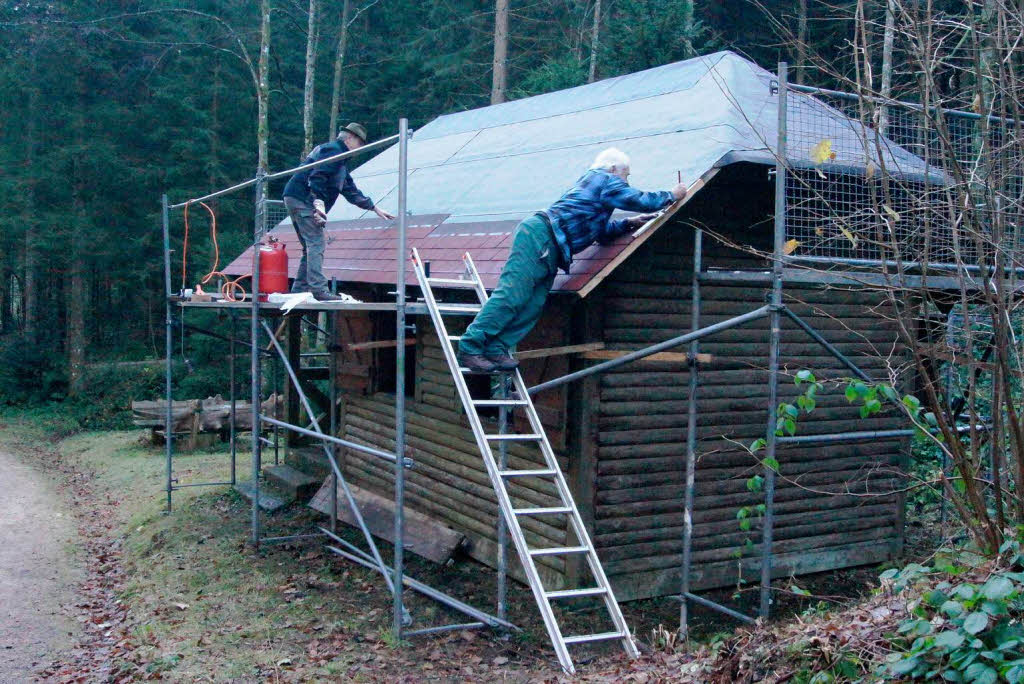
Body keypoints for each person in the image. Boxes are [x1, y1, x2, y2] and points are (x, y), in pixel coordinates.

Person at [458, 147, 688, 373]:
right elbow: (637, 199)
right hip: (540, 236)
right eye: (625, 175)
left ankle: (497, 348)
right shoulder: (603, 178)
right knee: (512, 295)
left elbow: (602, 232)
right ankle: (470, 347)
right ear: (613, 168)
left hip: (552, 248)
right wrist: (671, 195)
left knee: (532, 304)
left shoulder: (597, 194)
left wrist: (629, 223)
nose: (625, 181)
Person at [283, 122, 394, 301]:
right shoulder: (334, 151)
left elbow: (350, 189)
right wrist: (318, 202)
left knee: (310, 245)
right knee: (316, 243)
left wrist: (373, 207)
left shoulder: (340, 161)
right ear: (350, 138)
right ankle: (318, 290)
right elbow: (317, 175)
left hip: (296, 197)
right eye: (360, 144)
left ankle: (300, 288)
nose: (360, 149)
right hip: (304, 198)